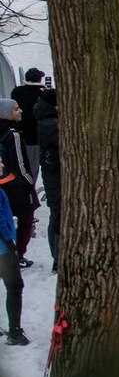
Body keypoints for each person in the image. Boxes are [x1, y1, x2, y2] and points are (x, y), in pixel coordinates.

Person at [0, 98, 38, 269]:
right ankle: (18, 255)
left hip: (3, 182)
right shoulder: (13, 134)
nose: (20, 111)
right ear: (7, 115)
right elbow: (20, 163)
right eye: (16, 109)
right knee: (26, 220)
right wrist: (30, 183)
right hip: (17, 186)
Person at [0, 165, 27, 345]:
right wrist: (9, 241)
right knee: (15, 286)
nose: (2, 165)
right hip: (3, 248)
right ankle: (15, 332)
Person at [34, 89, 61, 272]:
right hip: (55, 178)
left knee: (57, 215)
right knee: (58, 217)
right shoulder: (51, 124)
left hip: (53, 175)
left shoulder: (46, 119)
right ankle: (58, 257)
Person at [10, 67, 45, 185]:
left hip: (21, 134)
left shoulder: (17, 92)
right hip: (35, 137)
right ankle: (31, 189)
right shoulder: (41, 95)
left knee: (25, 165)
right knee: (34, 166)